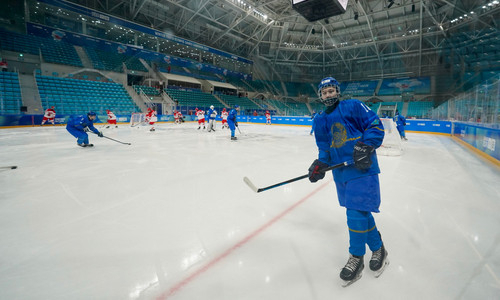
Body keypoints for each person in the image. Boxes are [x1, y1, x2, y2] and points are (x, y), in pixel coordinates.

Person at [309, 77, 388, 286]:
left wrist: (365, 146)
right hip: (342, 173)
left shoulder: (353, 105)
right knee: (360, 212)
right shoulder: (318, 120)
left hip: (363, 168)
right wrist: (319, 164)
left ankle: (356, 258)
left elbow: (375, 125)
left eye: (331, 91)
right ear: (320, 95)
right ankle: (379, 248)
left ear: (338, 91)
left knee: (354, 213)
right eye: (324, 92)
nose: (328, 95)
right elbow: (324, 148)